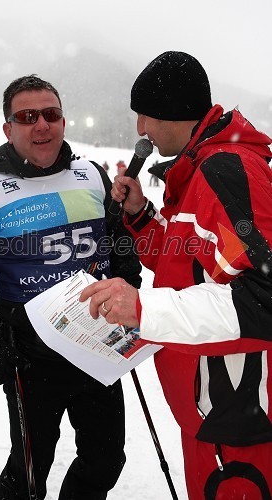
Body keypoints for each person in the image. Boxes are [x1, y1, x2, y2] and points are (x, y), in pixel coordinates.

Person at [79, 51, 272, 499]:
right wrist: (142, 216)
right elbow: (194, 262)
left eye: (145, 116)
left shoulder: (225, 170)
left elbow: (264, 294)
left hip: (238, 416)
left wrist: (144, 307)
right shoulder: (203, 170)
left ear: (175, 113)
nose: (140, 130)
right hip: (214, 410)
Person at [0, 75, 142, 500]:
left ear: (64, 121)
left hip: (97, 346)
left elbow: (120, 241)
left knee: (106, 459)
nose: (41, 125)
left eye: (50, 115)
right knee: (30, 473)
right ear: (7, 129)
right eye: (27, 117)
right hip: (31, 359)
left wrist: (129, 292)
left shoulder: (92, 175)